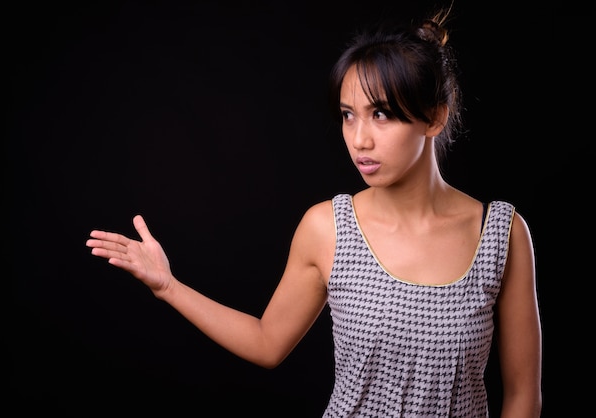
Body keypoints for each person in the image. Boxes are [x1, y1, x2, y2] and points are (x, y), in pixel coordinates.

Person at [86, 7, 542, 417]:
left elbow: (523, 394)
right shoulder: (328, 227)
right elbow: (268, 343)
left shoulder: (501, 233)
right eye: (348, 115)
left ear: (435, 117)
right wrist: (168, 287)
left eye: (381, 114)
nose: (359, 139)